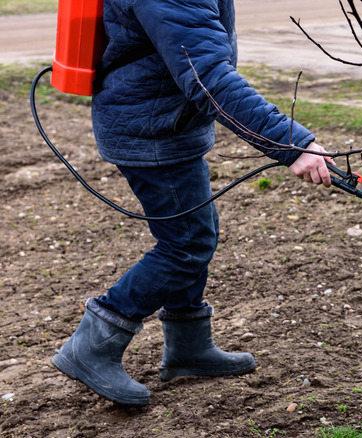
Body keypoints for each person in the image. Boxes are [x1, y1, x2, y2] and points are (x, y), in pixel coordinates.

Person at [51, 0, 334, 406]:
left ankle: (188, 346)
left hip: (165, 120)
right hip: (151, 130)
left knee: (195, 234)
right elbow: (207, 76)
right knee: (186, 245)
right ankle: (91, 346)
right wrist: (291, 143)